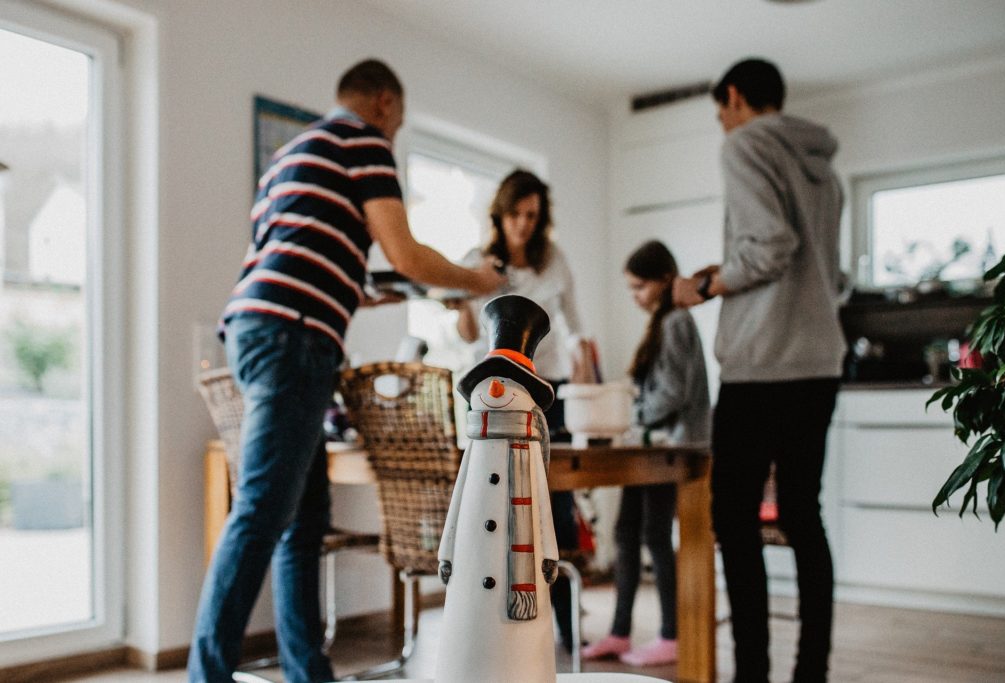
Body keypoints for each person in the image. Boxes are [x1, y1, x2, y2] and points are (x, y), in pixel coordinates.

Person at [188, 59, 504, 683]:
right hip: (294, 336)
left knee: (301, 521)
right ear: (384, 102)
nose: (395, 134)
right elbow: (405, 251)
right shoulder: (364, 141)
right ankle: (206, 675)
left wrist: (381, 290)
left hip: (262, 327)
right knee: (261, 510)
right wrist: (477, 281)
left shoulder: (291, 153)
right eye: (400, 122)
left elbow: (311, 259)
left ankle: (311, 674)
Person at [673, 58, 846, 683]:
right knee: (803, 513)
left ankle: (752, 675)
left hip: (762, 364)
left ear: (737, 97)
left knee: (734, 517)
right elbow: (832, 274)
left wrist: (703, 284)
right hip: (819, 360)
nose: (723, 123)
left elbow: (771, 247)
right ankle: (810, 674)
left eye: (722, 110)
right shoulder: (825, 169)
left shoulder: (746, 144)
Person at [449, 168, 585, 653]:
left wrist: (589, 374)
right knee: (489, 505)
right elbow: (467, 335)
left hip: (551, 395)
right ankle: (485, 627)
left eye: (532, 215)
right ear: (500, 215)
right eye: (516, 214)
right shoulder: (477, 263)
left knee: (557, 511)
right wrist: (462, 302)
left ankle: (566, 629)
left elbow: (575, 328)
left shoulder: (555, 263)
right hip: (491, 397)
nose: (524, 224)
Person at [581, 240, 710, 667]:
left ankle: (672, 634)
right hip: (650, 446)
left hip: (669, 448)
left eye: (639, 286)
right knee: (625, 533)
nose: (635, 296)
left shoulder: (675, 322)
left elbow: (672, 394)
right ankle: (619, 632)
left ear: (664, 281)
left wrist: (628, 414)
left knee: (654, 536)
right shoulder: (662, 322)